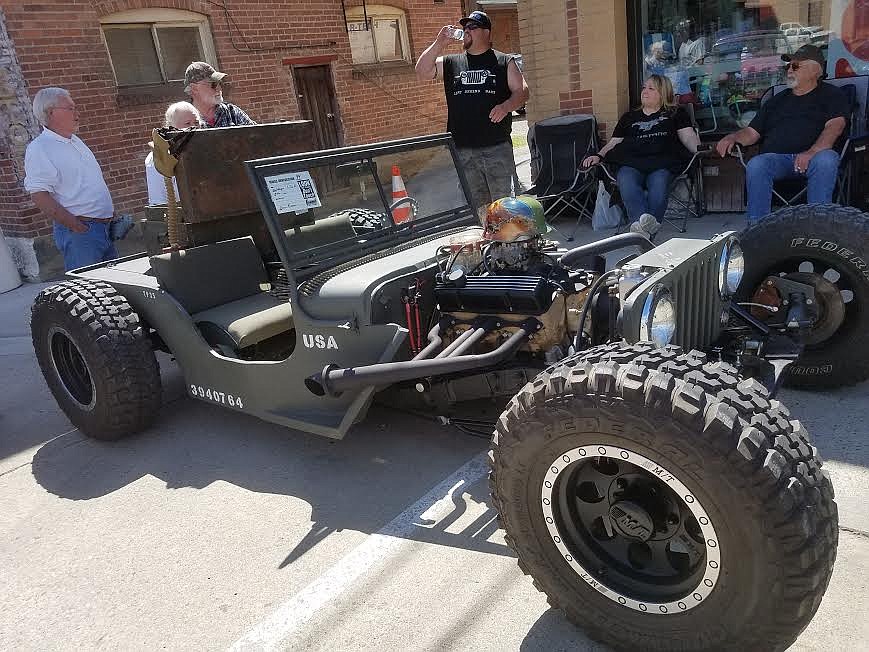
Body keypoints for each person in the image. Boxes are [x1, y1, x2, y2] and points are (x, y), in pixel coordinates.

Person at [715, 44, 847, 224]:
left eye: (795, 66)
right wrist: (733, 137)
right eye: (788, 66)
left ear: (815, 70)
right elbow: (752, 132)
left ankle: (818, 227)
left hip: (815, 159)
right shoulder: (777, 99)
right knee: (757, 164)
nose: (789, 71)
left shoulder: (832, 95)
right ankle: (757, 229)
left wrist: (812, 152)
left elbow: (835, 127)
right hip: (780, 161)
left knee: (826, 159)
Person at [415, 10, 529, 210]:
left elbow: (522, 92)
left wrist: (506, 106)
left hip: (496, 148)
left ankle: (508, 241)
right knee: (477, 208)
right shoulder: (451, 63)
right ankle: (485, 239)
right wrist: (439, 43)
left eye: (472, 27)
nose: (466, 31)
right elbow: (422, 71)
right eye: (464, 27)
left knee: (506, 207)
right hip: (464, 150)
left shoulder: (503, 61)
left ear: (486, 33)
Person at [581, 74, 700, 237]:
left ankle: (641, 233)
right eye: (644, 87)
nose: (645, 91)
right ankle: (646, 232)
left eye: (651, 88)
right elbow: (614, 142)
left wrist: (699, 149)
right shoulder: (629, 117)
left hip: (662, 162)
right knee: (626, 179)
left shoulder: (676, 114)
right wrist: (599, 156)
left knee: (659, 183)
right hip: (631, 162)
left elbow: (688, 136)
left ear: (663, 93)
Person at [24, 87, 116, 270]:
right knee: (89, 293)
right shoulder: (40, 148)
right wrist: (77, 226)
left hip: (102, 229)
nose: (77, 113)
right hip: (82, 235)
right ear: (51, 112)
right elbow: (39, 195)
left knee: (112, 292)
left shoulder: (75, 141)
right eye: (70, 108)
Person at [145, 102, 202, 205]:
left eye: (197, 122)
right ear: (171, 127)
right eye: (187, 123)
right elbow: (158, 201)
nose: (194, 128)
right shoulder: (158, 157)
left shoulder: (206, 149)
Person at [184, 61, 255, 128]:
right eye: (213, 84)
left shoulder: (232, 112)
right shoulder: (182, 117)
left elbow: (258, 136)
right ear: (194, 88)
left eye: (219, 83)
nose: (219, 89)